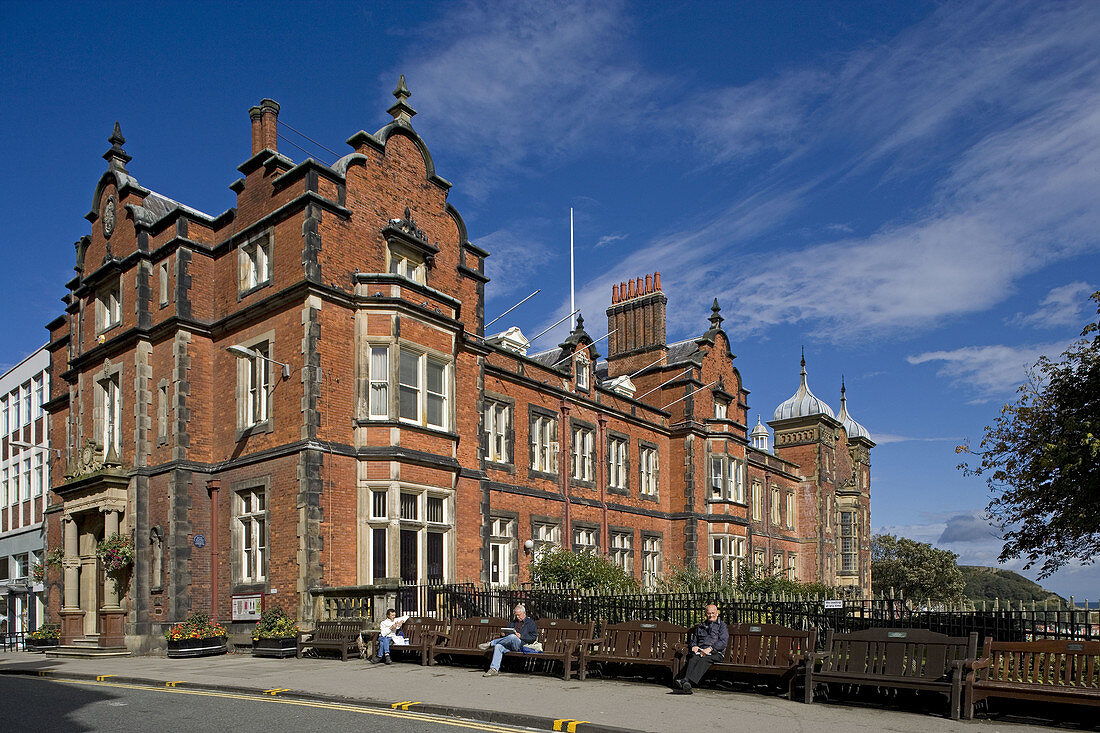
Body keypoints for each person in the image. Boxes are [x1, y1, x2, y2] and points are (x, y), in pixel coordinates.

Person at [672, 603, 728, 694]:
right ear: (706, 614)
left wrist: (710, 648)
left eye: (713, 613)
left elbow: (723, 642)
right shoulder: (701, 626)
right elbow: (693, 640)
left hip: (716, 653)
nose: (711, 615)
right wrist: (693, 646)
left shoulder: (722, 626)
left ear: (717, 613)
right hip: (701, 651)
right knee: (693, 658)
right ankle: (687, 684)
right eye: (709, 613)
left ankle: (686, 681)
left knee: (704, 659)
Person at [479, 603, 538, 677]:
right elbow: (508, 631)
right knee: (498, 646)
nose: (517, 617)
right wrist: (504, 634)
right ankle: (494, 669)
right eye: (516, 615)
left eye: (519, 615)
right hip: (509, 644)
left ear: (524, 613)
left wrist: (521, 636)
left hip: (521, 645)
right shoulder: (514, 622)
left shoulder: (530, 623)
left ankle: (491, 643)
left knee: (513, 637)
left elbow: (533, 637)